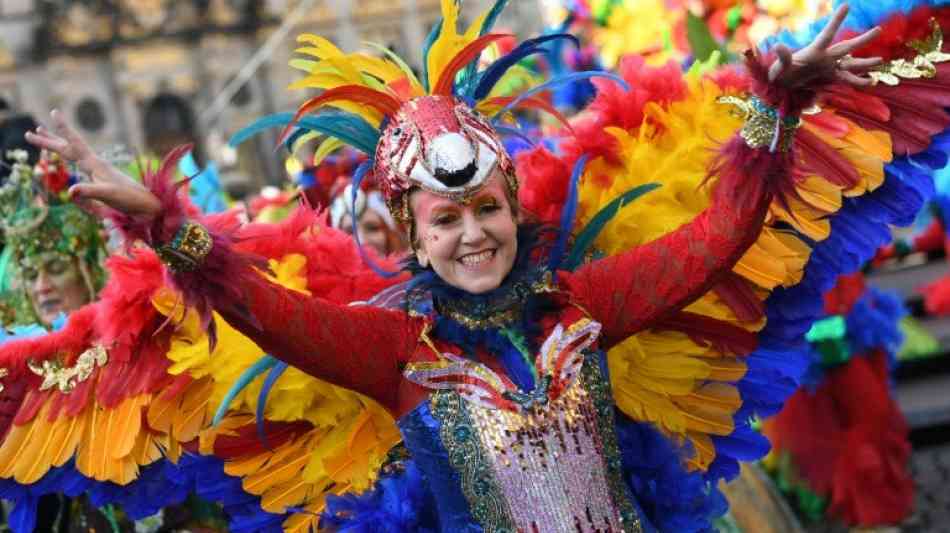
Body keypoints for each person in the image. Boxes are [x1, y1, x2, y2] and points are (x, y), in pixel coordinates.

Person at [8, 1, 950, 531]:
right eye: (447, 219)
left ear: (513, 209)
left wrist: (772, 115)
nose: (473, 235)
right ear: (415, 237)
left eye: (487, 210)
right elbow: (260, 308)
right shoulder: (391, 352)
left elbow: (717, 242)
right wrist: (173, 226)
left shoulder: (583, 305)